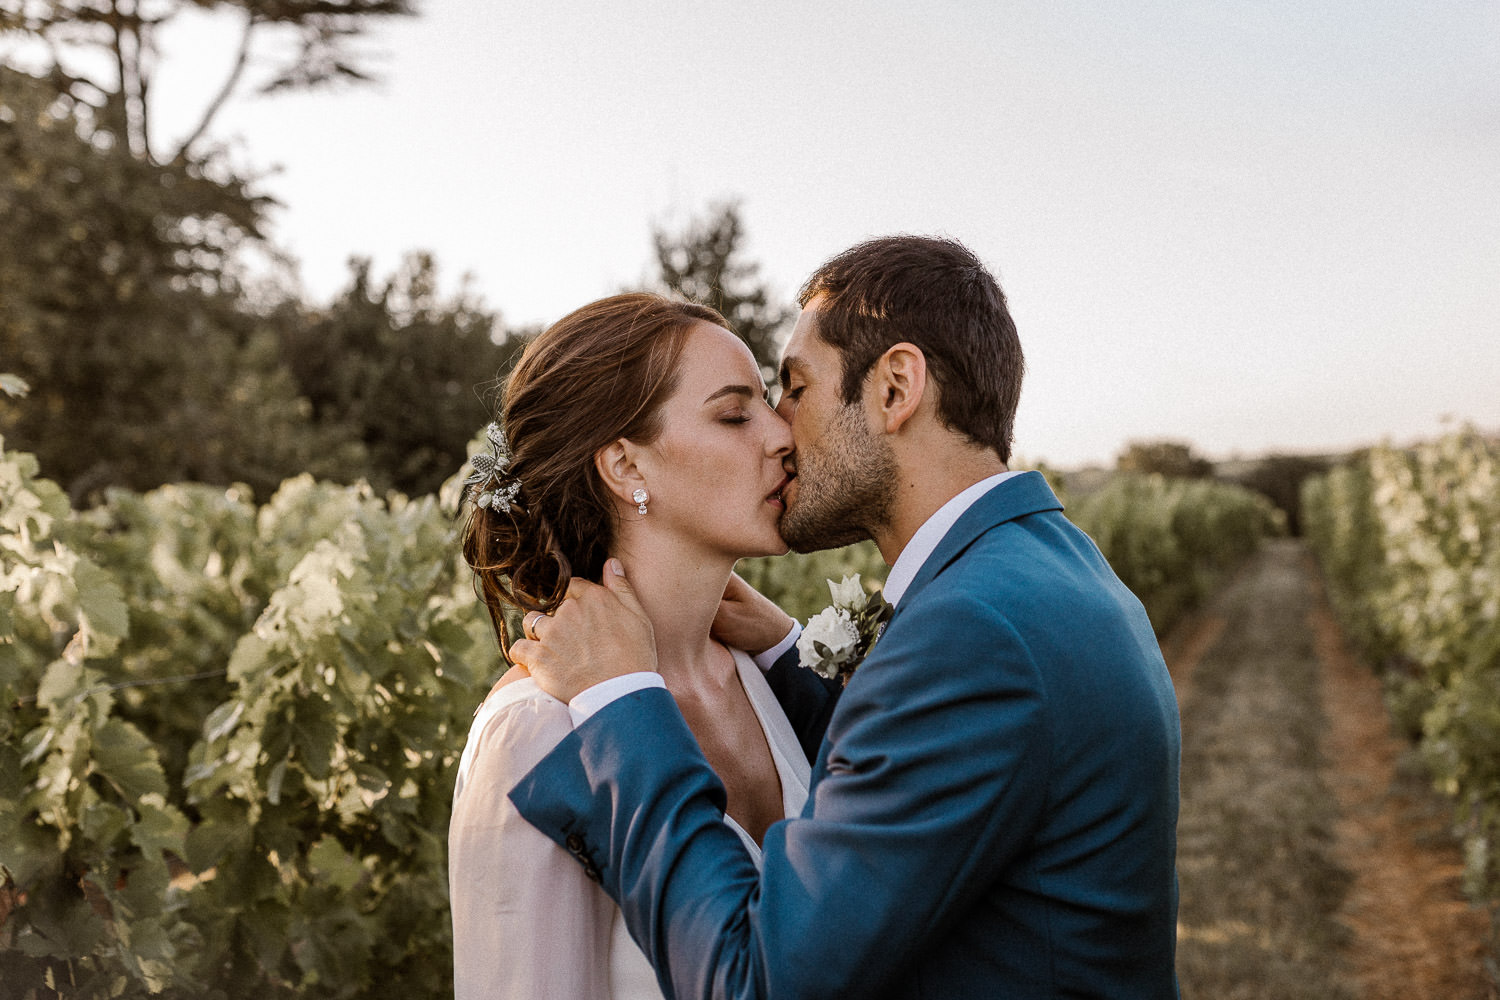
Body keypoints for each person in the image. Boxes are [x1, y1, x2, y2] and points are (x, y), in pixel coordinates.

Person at [506, 236, 1183, 998]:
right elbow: (937, 794)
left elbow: (758, 980)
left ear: (896, 387)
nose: (781, 429)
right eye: (746, 410)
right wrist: (792, 661)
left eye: (794, 388)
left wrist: (619, 703)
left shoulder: (970, 634)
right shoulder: (1050, 565)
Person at [448, 293, 838, 999]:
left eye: (770, 404)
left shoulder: (759, 673)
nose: (783, 436)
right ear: (626, 468)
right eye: (733, 413)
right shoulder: (534, 730)